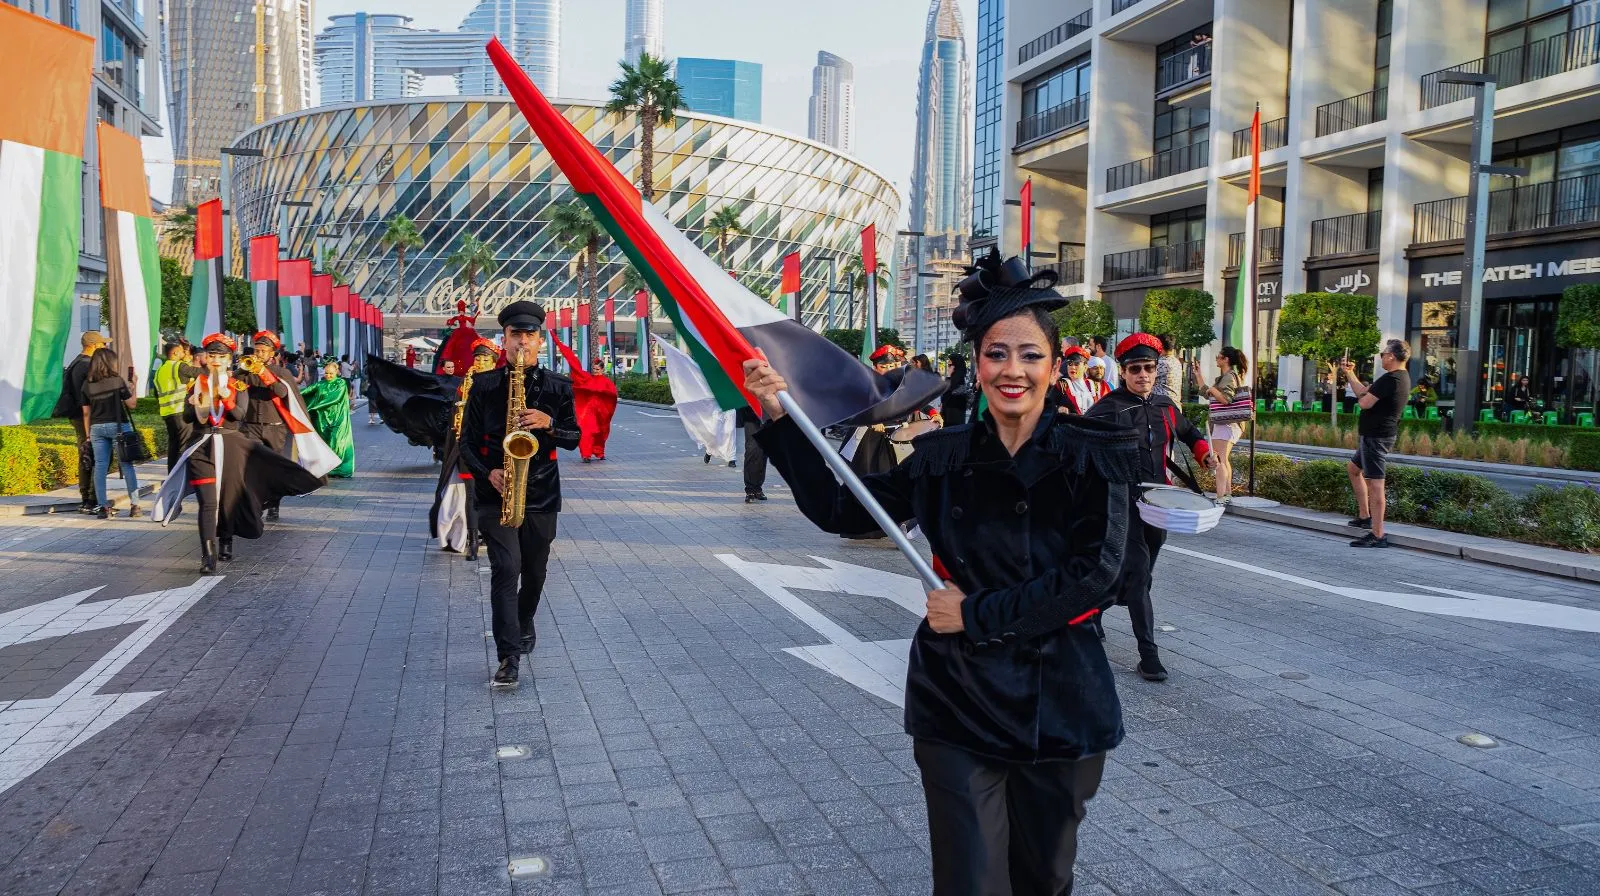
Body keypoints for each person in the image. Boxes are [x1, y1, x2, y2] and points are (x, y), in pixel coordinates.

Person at [748, 250, 1141, 894]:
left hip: (1061, 701)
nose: (1012, 370)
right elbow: (842, 509)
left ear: (1054, 365)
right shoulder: (941, 458)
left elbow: (1098, 574)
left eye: (1030, 355)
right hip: (958, 696)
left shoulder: (1092, 456)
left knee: (1043, 878)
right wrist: (778, 416)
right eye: (996, 353)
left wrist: (975, 613)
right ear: (976, 364)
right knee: (968, 882)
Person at [457, 301, 580, 687]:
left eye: (529, 335)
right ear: (504, 340)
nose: (522, 342)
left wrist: (550, 423)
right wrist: (488, 472)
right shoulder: (484, 385)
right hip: (496, 494)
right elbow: (466, 444)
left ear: (540, 341)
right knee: (507, 569)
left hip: (541, 492)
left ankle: (525, 619)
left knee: (536, 572)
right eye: (515, 335)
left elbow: (574, 438)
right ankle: (508, 656)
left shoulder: (558, 386)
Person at [1087, 333, 1216, 682]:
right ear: (1123, 371)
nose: (1142, 374)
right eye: (1135, 369)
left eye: (1148, 367)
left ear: (1156, 369)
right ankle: (1149, 656)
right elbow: (1080, 442)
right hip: (1122, 503)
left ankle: (1095, 611)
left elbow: (1190, 433)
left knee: (1140, 574)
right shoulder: (1108, 408)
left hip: (1159, 503)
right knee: (1139, 574)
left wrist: (1205, 454)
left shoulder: (1165, 406)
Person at [433, 339, 500, 557]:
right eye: (477, 358)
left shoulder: (501, 383)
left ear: (494, 362)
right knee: (472, 494)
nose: (480, 362)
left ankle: (490, 533)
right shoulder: (465, 383)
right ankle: (472, 540)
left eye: (485, 359)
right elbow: (455, 414)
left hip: (493, 448)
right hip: (469, 447)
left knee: (492, 495)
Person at [1342, 339, 1411, 548]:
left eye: (1383, 354)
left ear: (1391, 356)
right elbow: (1363, 391)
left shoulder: (1392, 379)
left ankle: (1378, 535)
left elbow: (1364, 402)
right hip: (1374, 435)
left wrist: (1364, 395)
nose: (1381, 357)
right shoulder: (1399, 377)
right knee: (1353, 469)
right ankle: (1365, 516)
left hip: (1376, 437)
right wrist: (1349, 373)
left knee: (1375, 484)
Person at [238, 332, 295, 521]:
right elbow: (234, 383)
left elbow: (282, 392)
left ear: (272, 353)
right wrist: (243, 371)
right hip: (251, 425)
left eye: (263, 351)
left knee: (273, 468)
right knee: (252, 466)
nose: (259, 354)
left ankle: (274, 504)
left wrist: (264, 373)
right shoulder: (248, 370)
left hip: (275, 427)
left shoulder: (281, 372)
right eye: (257, 350)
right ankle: (255, 504)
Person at [82, 348, 142, 519]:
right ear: (111, 363)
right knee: (126, 465)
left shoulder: (87, 384)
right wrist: (134, 385)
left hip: (96, 428)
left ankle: (103, 508)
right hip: (119, 427)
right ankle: (135, 506)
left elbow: (86, 413)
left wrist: (88, 436)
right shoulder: (117, 381)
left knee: (100, 466)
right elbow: (132, 404)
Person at [54, 331, 108, 513]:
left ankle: (87, 498)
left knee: (86, 454)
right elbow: (89, 396)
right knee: (95, 455)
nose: (105, 347)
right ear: (94, 345)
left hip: (78, 415)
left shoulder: (76, 362)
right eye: (102, 344)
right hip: (87, 416)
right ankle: (91, 499)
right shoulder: (87, 365)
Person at [1191, 347, 1247, 503]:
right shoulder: (1226, 377)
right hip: (1226, 424)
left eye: (1218, 356)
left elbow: (1226, 399)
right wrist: (1198, 375)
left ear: (1226, 359)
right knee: (1223, 459)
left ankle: (1221, 496)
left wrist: (1213, 390)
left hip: (1226, 424)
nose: (1216, 358)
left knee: (1219, 460)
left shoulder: (1229, 377)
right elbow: (1207, 394)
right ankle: (1226, 494)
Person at [554, 340, 620, 463]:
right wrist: (559, 344)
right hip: (587, 412)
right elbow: (575, 366)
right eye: (594, 369)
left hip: (601, 413)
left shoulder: (607, 382)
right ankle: (586, 454)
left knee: (600, 433)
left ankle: (599, 452)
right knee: (586, 432)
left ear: (602, 369)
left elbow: (613, 395)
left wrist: (603, 393)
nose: (595, 371)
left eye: (597, 369)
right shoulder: (588, 378)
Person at [301, 361, 355, 478]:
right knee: (324, 443)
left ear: (337, 372)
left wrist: (313, 407)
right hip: (322, 420)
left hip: (338, 418)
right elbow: (304, 392)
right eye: (326, 373)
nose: (328, 376)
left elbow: (335, 398)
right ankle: (328, 467)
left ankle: (340, 468)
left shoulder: (340, 383)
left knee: (337, 442)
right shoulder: (320, 384)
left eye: (331, 373)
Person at [154, 342, 202, 471]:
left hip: (167, 414)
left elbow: (156, 394)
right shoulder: (179, 366)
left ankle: (171, 475)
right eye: (181, 351)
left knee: (173, 446)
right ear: (175, 353)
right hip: (180, 412)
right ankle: (180, 476)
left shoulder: (160, 370)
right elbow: (200, 372)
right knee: (184, 446)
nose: (184, 353)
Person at [1057, 344, 1110, 414]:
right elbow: (1048, 405)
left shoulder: (1095, 386)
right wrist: (1058, 408)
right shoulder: (1061, 385)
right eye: (1070, 364)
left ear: (1085, 367)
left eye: (1076, 364)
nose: (1072, 367)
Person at [737, 404, 767, 503]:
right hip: (750, 411)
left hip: (768, 410)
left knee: (763, 450)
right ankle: (749, 489)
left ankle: (758, 488)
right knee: (752, 449)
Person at [940, 354, 971, 426]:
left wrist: (949, 376)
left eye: (950, 364)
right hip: (950, 408)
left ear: (955, 365)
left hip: (954, 410)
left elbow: (947, 389)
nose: (948, 366)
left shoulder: (958, 377)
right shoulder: (957, 376)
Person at [1154, 334, 1183, 402]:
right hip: (1173, 403)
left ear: (1160, 346)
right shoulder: (1176, 361)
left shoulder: (1161, 363)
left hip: (1161, 404)